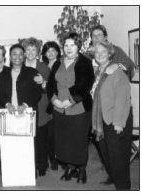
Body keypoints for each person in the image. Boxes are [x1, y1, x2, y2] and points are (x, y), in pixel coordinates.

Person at [47, 33, 95, 184]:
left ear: (78, 46)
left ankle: (81, 169)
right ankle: (69, 168)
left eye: (72, 45)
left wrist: (68, 101)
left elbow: (84, 85)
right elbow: (50, 85)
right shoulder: (57, 62)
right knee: (64, 140)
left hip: (78, 108)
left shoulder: (85, 62)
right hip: (59, 109)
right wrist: (55, 101)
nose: (68, 48)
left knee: (79, 140)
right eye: (66, 45)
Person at [91, 41, 132, 190]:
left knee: (118, 160)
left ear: (110, 55)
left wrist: (119, 122)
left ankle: (124, 188)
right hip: (101, 121)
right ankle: (116, 182)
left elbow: (123, 98)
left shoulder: (116, 72)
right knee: (107, 156)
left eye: (103, 52)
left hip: (115, 120)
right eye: (97, 52)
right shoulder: (98, 72)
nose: (100, 54)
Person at [21, 37, 52, 176]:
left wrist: (44, 82)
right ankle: (29, 166)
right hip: (24, 106)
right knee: (27, 138)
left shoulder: (43, 67)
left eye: (34, 49)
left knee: (40, 137)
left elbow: (51, 89)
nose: (30, 52)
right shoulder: (19, 65)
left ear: (38, 52)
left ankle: (42, 165)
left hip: (40, 105)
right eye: (28, 49)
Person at [0, 42, 42, 120]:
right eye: (14, 54)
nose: (18, 56)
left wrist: (25, 105)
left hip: (27, 114)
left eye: (20, 54)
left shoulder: (32, 72)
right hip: (8, 114)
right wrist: (7, 104)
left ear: (24, 56)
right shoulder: (2, 74)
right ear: (10, 57)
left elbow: (37, 92)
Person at [39, 41, 62, 172]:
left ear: (58, 51)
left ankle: (58, 158)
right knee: (48, 134)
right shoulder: (43, 66)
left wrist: (46, 83)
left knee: (58, 133)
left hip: (60, 103)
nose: (51, 53)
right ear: (44, 53)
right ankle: (51, 158)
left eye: (53, 50)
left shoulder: (63, 64)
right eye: (48, 51)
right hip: (46, 104)